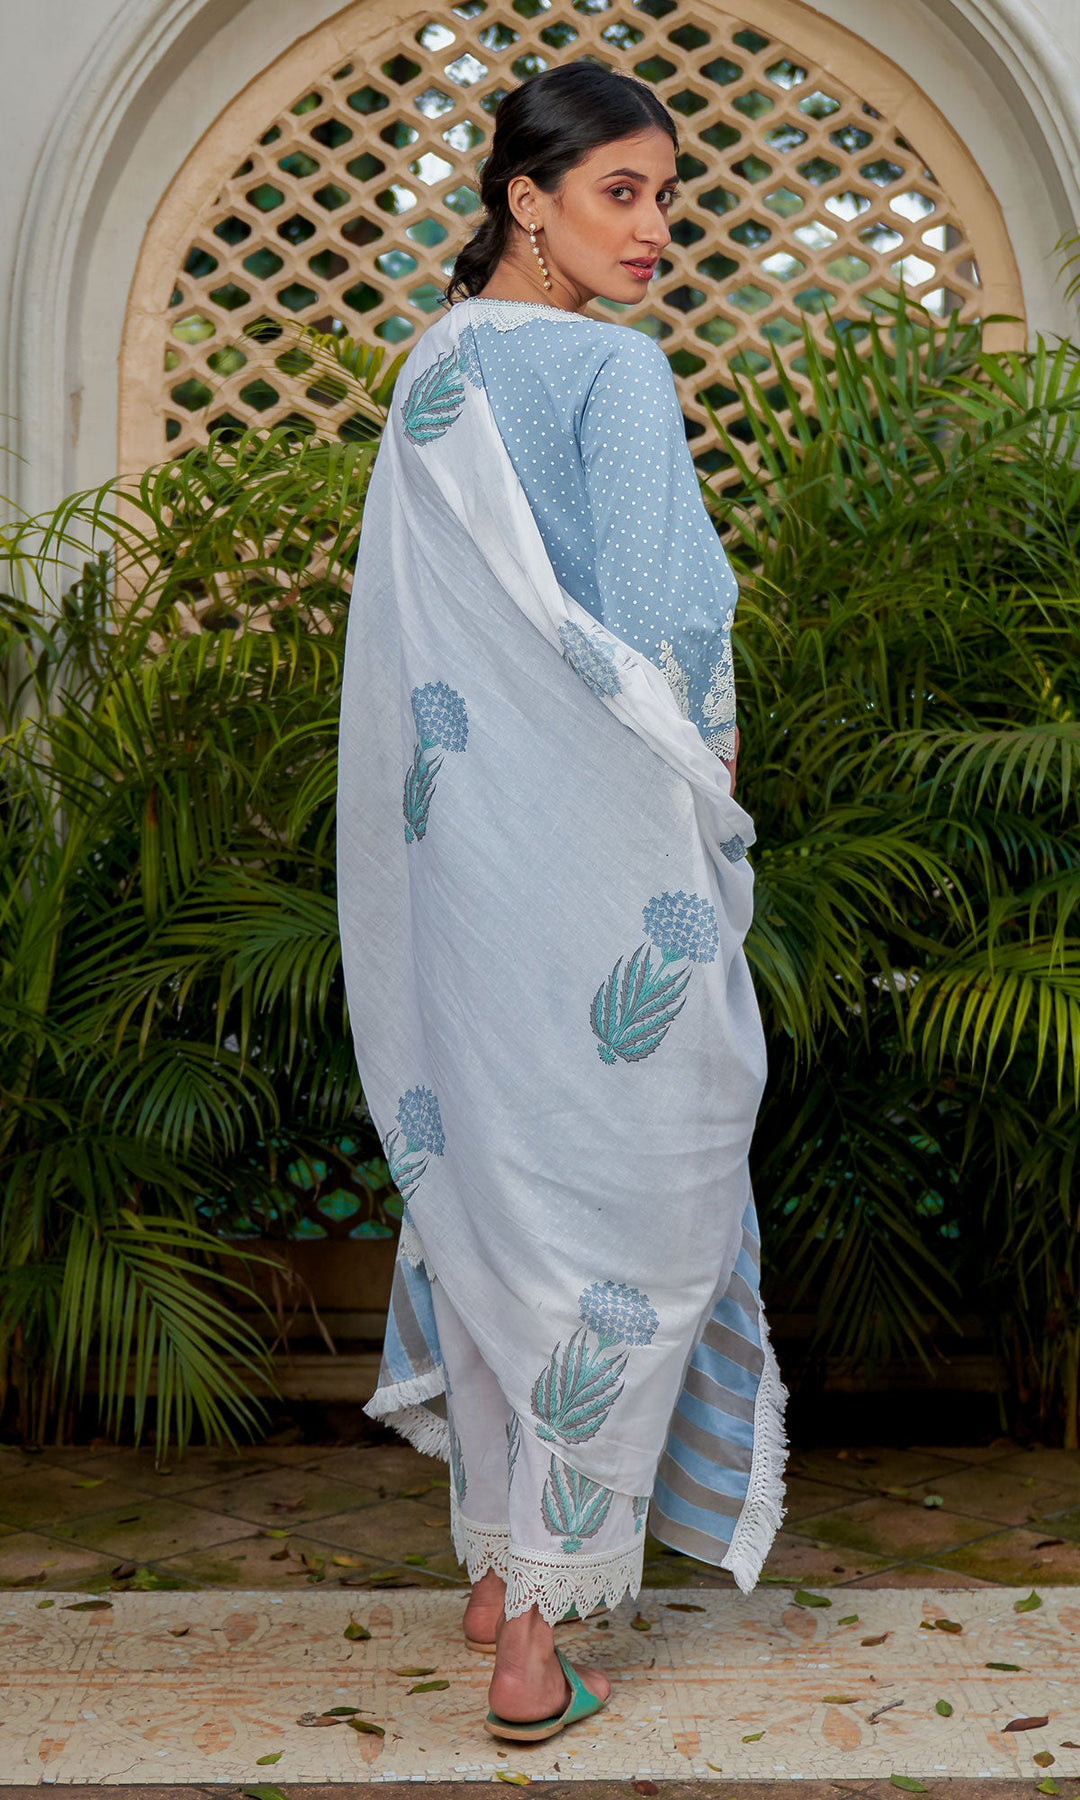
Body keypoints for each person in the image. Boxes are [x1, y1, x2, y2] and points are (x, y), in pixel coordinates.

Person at [337, 60, 785, 1745]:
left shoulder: (435, 367)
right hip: (600, 857)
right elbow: (670, 614)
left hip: (467, 870)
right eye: (622, 191)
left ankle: (490, 1567)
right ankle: (534, 1641)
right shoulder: (611, 368)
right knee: (626, 1214)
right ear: (526, 199)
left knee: (502, 1179)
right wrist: (711, 791)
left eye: (666, 197)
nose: (655, 228)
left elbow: (418, 650)